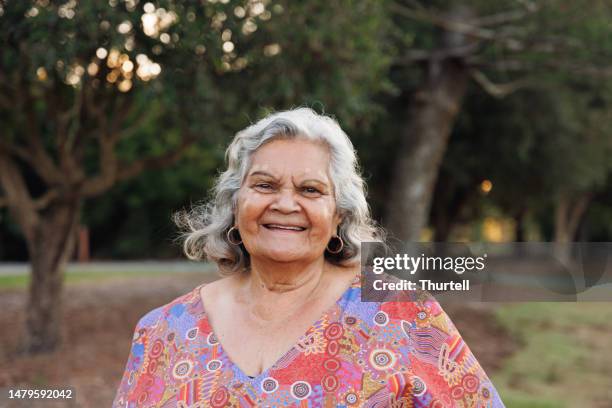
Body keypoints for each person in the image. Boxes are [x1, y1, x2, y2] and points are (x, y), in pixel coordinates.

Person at [112, 108, 504, 407]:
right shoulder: (165, 331)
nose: (285, 204)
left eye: (311, 190)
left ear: (339, 215)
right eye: (264, 185)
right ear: (235, 204)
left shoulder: (400, 314)